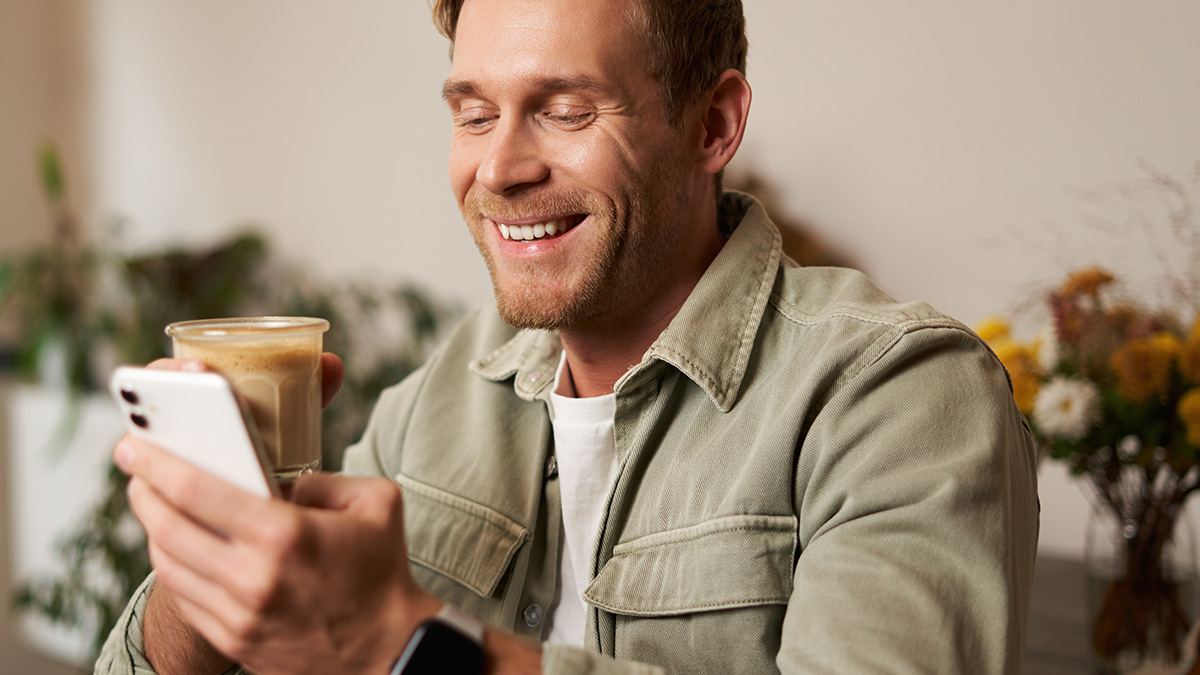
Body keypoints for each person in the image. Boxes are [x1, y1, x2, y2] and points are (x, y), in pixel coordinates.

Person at [96, 0, 1040, 672]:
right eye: (474, 114)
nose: (499, 168)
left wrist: (404, 642)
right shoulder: (441, 395)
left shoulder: (901, 394)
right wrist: (208, 560)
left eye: (565, 110)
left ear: (713, 125)